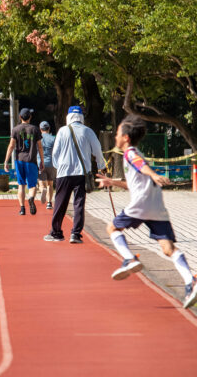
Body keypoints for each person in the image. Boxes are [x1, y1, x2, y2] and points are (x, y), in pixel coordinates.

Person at [96, 115, 197, 309]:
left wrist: (154, 174)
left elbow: (143, 168)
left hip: (141, 202)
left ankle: (129, 259)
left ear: (125, 137)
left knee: (112, 228)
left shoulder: (130, 153)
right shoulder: (137, 153)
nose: (115, 137)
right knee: (168, 248)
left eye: (117, 133)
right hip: (156, 204)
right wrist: (112, 182)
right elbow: (134, 183)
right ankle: (190, 282)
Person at [43, 106, 105, 243]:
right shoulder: (88, 131)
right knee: (79, 203)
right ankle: (75, 234)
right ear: (81, 117)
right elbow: (98, 150)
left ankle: (56, 232)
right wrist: (102, 166)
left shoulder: (62, 131)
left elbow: (55, 153)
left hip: (64, 173)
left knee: (60, 203)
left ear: (68, 117)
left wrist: (58, 166)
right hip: (81, 173)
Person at [4, 108, 44, 215]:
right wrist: (42, 161)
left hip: (19, 160)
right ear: (30, 117)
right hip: (31, 160)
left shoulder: (15, 129)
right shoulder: (35, 129)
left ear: (20, 117)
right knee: (32, 185)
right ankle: (31, 198)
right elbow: (40, 147)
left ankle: (22, 208)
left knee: (21, 185)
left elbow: (11, 146)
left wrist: (6, 161)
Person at [37, 121, 56, 210]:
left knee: (41, 182)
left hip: (40, 163)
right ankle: (49, 203)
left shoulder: (37, 139)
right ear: (49, 129)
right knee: (50, 184)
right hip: (51, 163)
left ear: (40, 129)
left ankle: (42, 189)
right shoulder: (53, 138)